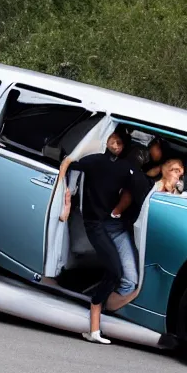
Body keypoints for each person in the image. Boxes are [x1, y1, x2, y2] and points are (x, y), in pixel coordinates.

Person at [57, 130, 140, 344]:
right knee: (114, 271)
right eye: (112, 139)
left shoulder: (125, 167)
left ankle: (96, 328)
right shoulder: (94, 160)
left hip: (114, 224)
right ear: (106, 140)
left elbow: (139, 186)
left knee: (122, 276)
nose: (115, 143)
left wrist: (118, 210)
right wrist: (65, 200)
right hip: (95, 224)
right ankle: (94, 326)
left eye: (120, 141)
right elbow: (68, 162)